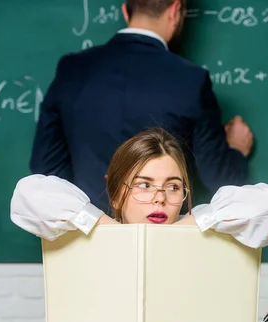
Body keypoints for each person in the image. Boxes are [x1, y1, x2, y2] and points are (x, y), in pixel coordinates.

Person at [29, 0, 254, 212]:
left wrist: (88, 213)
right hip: (164, 237)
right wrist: (235, 150)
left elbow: (47, 168)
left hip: (86, 239)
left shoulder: (72, 69)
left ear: (126, 11)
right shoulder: (191, 79)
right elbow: (220, 179)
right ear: (175, 11)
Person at [13, 128, 268, 249]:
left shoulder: (204, 229)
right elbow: (28, 192)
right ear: (117, 192)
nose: (160, 199)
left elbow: (267, 203)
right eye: (144, 185)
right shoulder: (85, 233)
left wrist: (188, 227)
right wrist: (107, 228)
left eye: (173, 187)